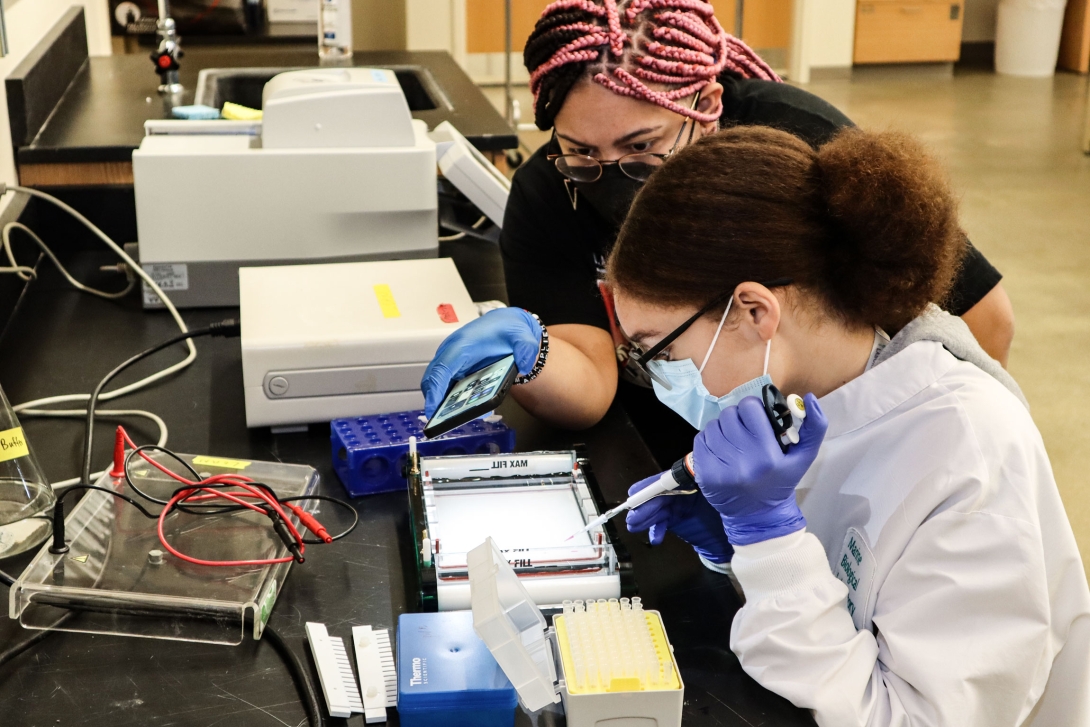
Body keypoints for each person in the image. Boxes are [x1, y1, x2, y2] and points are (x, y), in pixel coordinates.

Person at [609, 124, 1090, 725]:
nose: (659, 379)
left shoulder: (967, 450)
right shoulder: (816, 394)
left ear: (755, 310)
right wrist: (740, 551)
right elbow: (839, 608)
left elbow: (907, 717)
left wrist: (772, 544)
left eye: (660, 351)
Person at [421, 0, 1015, 469]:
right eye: (582, 153)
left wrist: (900, 466)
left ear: (706, 104)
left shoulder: (794, 146)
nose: (610, 181)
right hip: (683, 462)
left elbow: (985, 321)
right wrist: (535, 355)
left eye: (642, 147)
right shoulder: (551, 189)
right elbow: (595, 381)